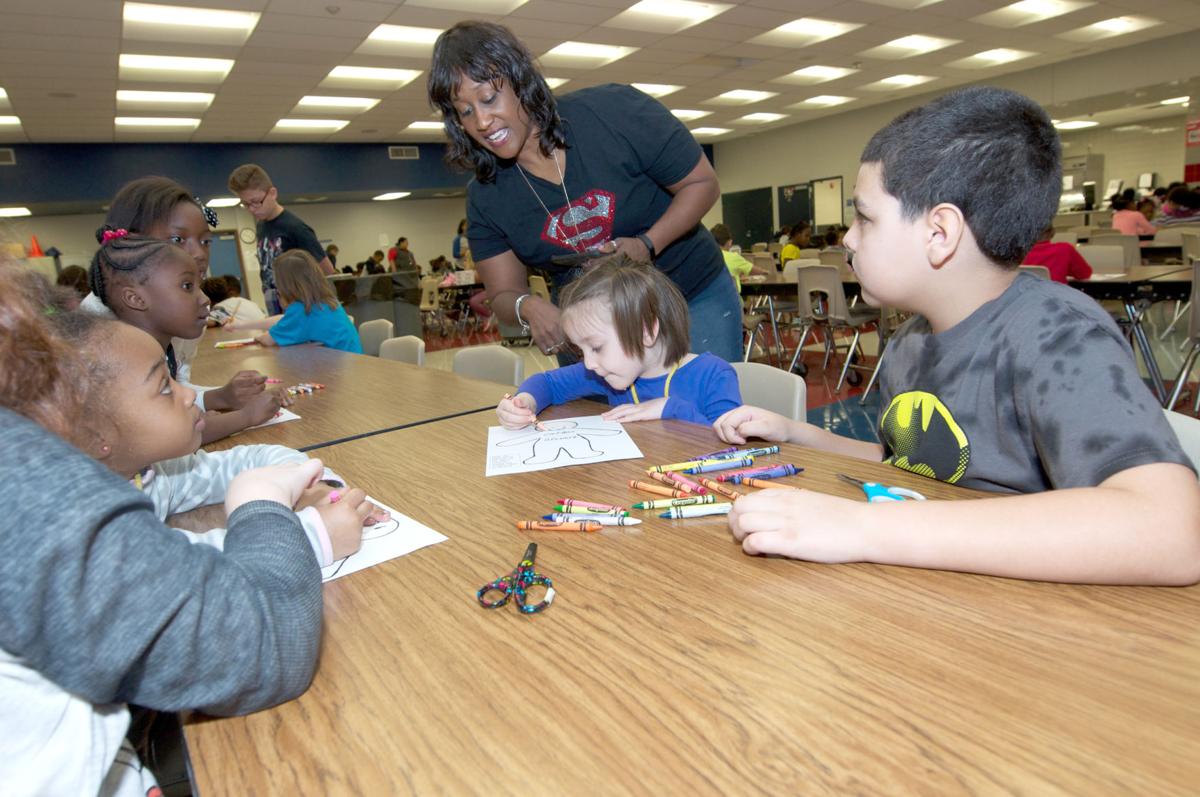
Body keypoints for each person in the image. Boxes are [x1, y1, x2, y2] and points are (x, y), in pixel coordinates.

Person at [713, 86, 1199, 586]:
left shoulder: (1057, 337)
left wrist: (865, 526)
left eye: (864, 217)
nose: (849, 239)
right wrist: (803, 436)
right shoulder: (911, 341)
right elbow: (915, 465)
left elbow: (1171, 531)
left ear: (939, 233)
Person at [0, 265, 363, 797]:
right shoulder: (32, 498)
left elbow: (159, 571)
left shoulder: (120, 475)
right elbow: (264, 639)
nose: (190, 395)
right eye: (164, 388)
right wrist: (265, 507)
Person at [428, 21, 742, 362]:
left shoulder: (614, 112)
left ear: (521, 82)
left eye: (489, 98)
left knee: (706, 413)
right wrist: (528, 306)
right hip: (591, 329)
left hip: (689, 296)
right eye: (466, 111)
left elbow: (702, 184)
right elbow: (504, 293)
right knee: (601, 417)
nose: (482, 122)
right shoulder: (486, 196)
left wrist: (646, 244)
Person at [53, 309, 380, 558]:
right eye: (164, 389)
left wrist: (308, 481)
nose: (189, 395)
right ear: (96, 437)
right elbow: (188, 572)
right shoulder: (85, 525)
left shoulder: (148, 472)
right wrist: (317, 534)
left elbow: (250, 459)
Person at [80, 176, 268, 413]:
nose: (199, 253)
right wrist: (230, 409)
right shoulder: (98, 325)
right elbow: (135, 422)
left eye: (206, 241)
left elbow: (176, 387)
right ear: (131, 244)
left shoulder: (188, 305)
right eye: (178, 239)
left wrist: (222, 396)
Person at [497, 255, 741, 428]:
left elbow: (731, 444)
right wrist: (524, 402)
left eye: (596, 347)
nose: (589, 363)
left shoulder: (712, 375)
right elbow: (547, 382)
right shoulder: (605, 374)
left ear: (646, 331)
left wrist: (669, 408)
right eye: (581, 350)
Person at [88, 231, 286, 444]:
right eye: (187, 286)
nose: (205, 299)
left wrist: (222, 399)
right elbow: (167, 438)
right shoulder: (127, 366)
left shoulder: (160, 352)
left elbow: (173, 416)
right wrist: (247, 416)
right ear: (135, 298)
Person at [228, 163, 334, 313]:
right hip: (274, 300)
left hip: (300, 308)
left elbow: (328, 272)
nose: (252, 209)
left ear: (272, 193)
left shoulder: (296, 228)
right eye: (246, 204)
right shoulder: (261, 226)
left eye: (256, 202)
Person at [226, 249, 363, 353]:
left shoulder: (301, 310)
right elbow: (283, 320)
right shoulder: (324, 302)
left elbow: (268, 340)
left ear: (286, 285)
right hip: (353, 364)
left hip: (339, 374)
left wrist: (260, 337)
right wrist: (239, 325)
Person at [1021, 225, 1093, 283]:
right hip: (1057, 298)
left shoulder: (1018, 252)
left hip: (1025, 298)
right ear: (1052, 233)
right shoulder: (1065, 249)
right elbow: (1084, 274)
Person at [710, 223, 767, 292]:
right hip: (733, 300)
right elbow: (756, 271)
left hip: (711, 300)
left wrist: (738, 277)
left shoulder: (707, 257)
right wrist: (766, 271)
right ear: (730, 242)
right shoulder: (734, 257)